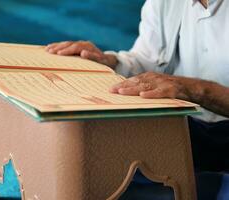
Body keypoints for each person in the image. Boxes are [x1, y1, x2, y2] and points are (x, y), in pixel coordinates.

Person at [46, 0, 229, 173]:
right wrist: (107, 62)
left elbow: (184, 87)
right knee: (84, 139)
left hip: (218, 132)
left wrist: (195, 89)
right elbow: (147, 60)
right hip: (182, 124)